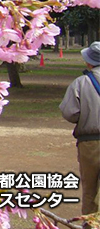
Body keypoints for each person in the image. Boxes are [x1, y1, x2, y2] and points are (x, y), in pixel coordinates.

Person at [60, 42, 100, 216]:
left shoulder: (81, 83)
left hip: (89, 143)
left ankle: (90, 224)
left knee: (90, 190)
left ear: (89, 62)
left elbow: (70, 113)